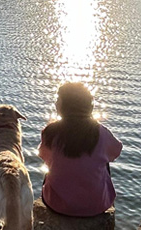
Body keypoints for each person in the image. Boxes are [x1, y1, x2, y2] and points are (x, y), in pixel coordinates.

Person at [37, 82, 122, 217]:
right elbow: (115, 152)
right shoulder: (101, 132)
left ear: (63, 106)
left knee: (51, 167)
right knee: (104, 163)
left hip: (57, 205)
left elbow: (43, 156)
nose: (56, 103)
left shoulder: (50, 132)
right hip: (96, 206)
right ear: (89, 106)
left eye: (58, 99)